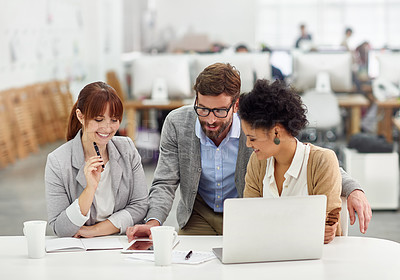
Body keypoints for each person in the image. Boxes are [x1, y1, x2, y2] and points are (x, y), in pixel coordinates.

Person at [126, 63, 371, 241]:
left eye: (220, 111)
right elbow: (165, 181)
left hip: (243, 212)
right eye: (202, 109)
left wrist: (353, 188)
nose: (210, 119)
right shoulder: (177, 124)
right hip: (199, 213)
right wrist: (153, 222)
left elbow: (307, 155)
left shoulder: (255, 125)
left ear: (236, 105)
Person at [240, 79, 343, 244]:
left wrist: (271, 227)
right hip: (267, 255)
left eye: (252, 138)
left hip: (314, 260)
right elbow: (251, 220)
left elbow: (327, 230)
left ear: (276, 133)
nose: (248, 144)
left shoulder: (322, 161)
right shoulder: (257, 162)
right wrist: (306, 229)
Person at [45, 81, 148, 238]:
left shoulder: (126, 148)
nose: (107, 128)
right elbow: (60, 228)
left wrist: (94, 231)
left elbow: (140, 207)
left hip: (121, 242)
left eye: (114, 120)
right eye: (99, 120)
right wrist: (89, 189)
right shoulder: (58, 161)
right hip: (81, 249)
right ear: (81, 116)